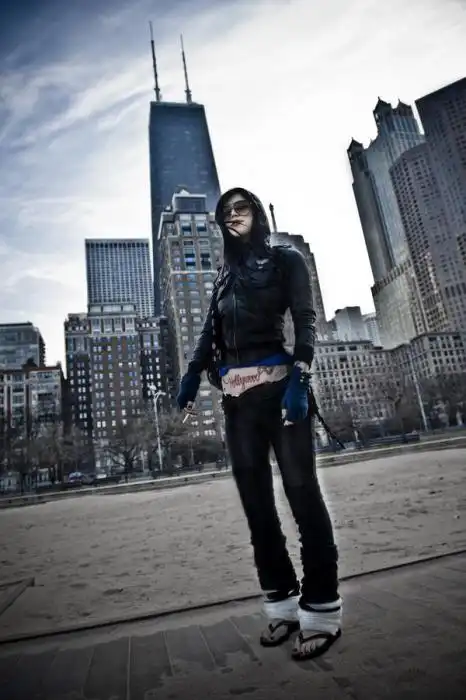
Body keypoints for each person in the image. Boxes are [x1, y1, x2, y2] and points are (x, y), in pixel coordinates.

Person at [177, 188, 342, 661]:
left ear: (255, 213)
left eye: (241, 207)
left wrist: (300, 378)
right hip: (237, 404)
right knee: (258, 510)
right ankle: (283, 604)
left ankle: (322, 611)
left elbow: (305, 319)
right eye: (225, 212)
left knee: (302, 495)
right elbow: (208, 332)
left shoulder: (286, 259)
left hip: (280, 392)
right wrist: (191, 374)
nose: (233, 215)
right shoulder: (224, 276)